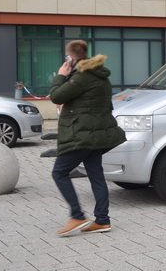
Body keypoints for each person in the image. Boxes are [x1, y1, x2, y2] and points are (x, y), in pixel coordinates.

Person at [50, 40, 126, 237]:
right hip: (96, 133)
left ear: (72, 57)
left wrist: (60, 76)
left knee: (59, 172)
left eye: (67, 58)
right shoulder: (99, 75)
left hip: (82, 134)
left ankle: (77, 216)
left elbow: (57, 96)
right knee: (95, 174)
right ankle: (102, 220)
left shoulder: (82, 77)